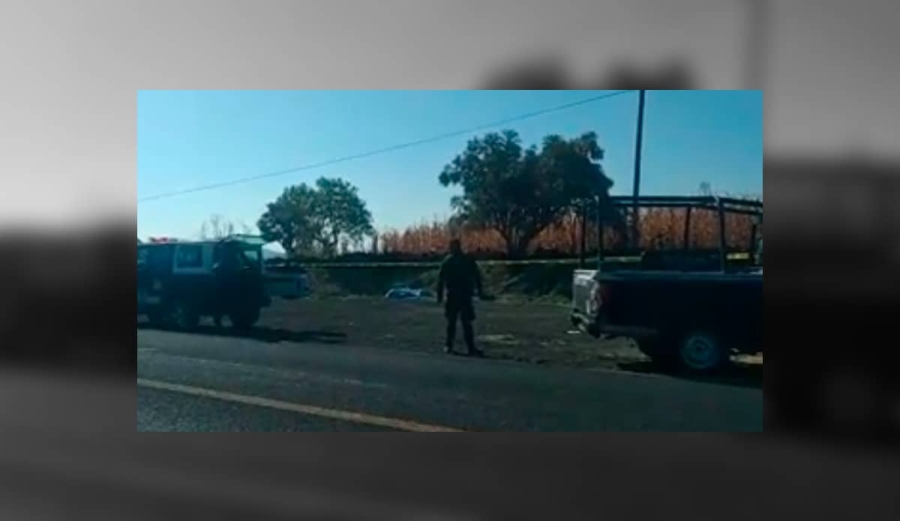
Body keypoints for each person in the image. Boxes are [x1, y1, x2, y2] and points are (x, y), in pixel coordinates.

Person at [436, 239, 485, 356]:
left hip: (460, 295)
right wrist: (480, 290)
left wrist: (440, 295)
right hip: (459, 295)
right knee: (458, 323)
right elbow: (441, 280)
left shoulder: (454, 261)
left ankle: (455, 346)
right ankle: (459, 346)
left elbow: (477, 276)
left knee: (459, 323)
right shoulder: (458, 260)